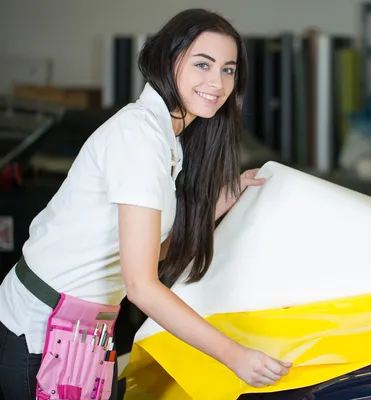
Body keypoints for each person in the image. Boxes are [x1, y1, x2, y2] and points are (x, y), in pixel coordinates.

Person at [0, 8, 292, 399]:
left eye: (228, 69)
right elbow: (141, 285)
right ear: (169, 61)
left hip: (83, 329)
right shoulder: (140, 138)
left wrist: (219, 204)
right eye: (202, 64)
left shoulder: (168, 137)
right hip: (41, 331)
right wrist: (234, 356)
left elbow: (148, 251)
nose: (217, 82)